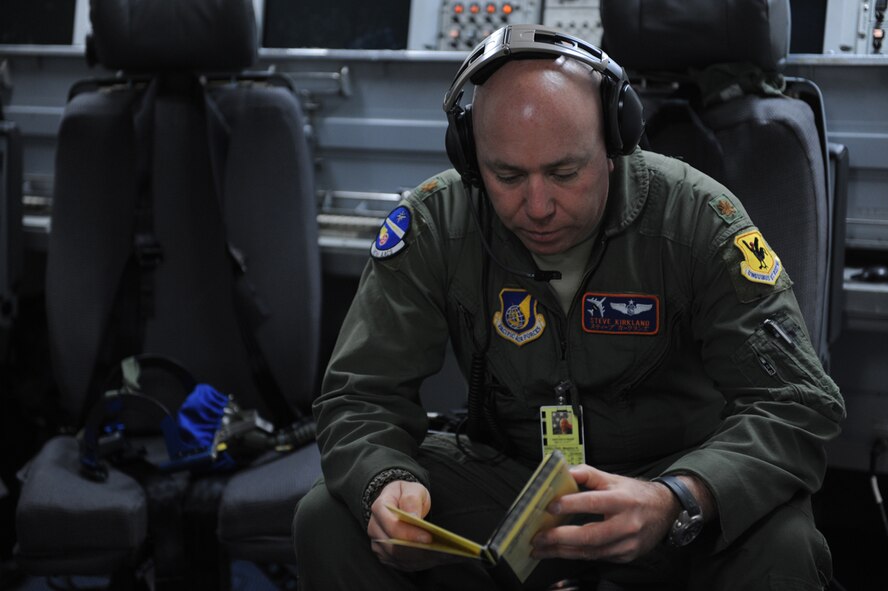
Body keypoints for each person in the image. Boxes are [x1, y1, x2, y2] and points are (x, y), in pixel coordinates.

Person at [294, 25, 845, 590]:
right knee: (330, 517)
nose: (537, 207)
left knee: (786, 546)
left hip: (675, 489)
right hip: (516, 489)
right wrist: (384, 483)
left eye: (564, 173)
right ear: (468, 156)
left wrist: (679, 496)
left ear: (612, 143)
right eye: (506, 176)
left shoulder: (698, 219)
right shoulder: (439, 223)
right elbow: (359, 395)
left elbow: (798, 404)